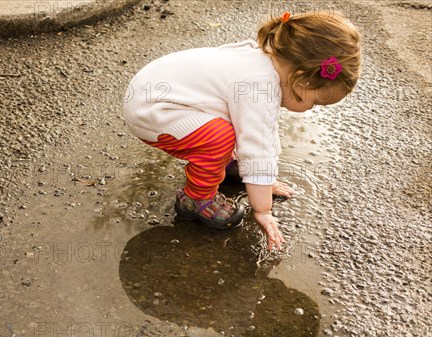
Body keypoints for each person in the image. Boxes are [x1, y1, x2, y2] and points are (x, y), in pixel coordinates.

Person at [122, 11, 361, 250]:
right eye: (315, 102)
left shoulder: (261, 60)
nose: (310, 109)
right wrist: (263, 209)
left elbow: (258, 131)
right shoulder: (259, 87)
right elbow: (257, 148)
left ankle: (222, 163)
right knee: (219, 137)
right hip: (151, 112)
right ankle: (195, 198)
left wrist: (265, 182)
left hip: (153, 97)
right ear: (302, 78)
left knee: (233, 124)